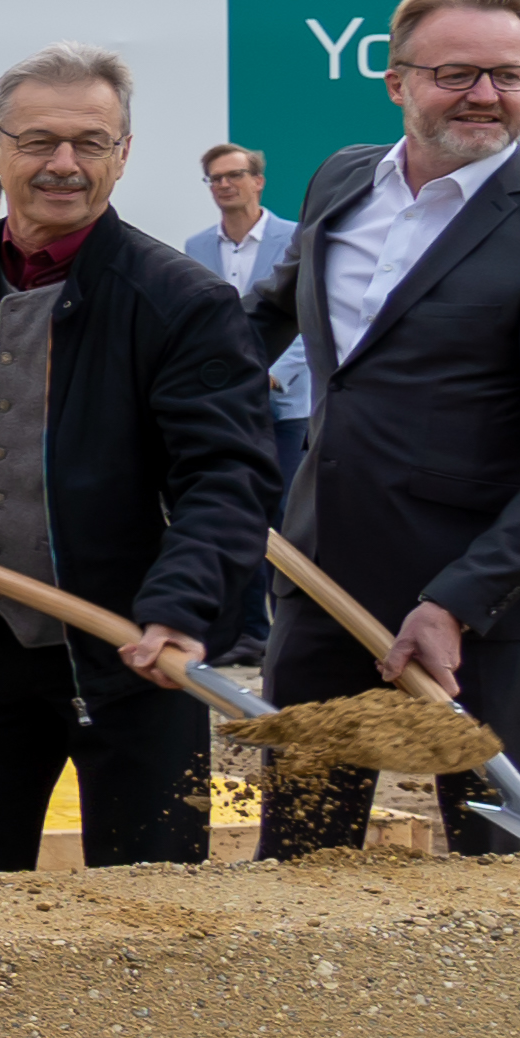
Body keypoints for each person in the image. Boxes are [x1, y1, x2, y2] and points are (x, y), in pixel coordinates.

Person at [0, 44, 275, 874]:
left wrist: (180, 604)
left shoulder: (181, 299)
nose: (63, 164)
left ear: (124, 155)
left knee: (154, 908)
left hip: (135, 658)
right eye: (38, 141)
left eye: (89, 142)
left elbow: (228, 476)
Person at [243, 0, 520, 857]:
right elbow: (273, 310)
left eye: (509, 75)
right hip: (323, 587)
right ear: (397, 81)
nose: (487, 97)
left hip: (489, 617)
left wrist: (454, 604)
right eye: (456, 73)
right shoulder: (343, 179)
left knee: (502, 870)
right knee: (299, 855)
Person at [193, 140, 310, 667]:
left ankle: (287, 629)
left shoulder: (293, 238)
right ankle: (246, 631)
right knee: (235, 512)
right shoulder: (197, 247)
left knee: (282, 513)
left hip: (284, 403)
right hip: (226, 408)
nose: (225, 185)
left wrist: (271, 373)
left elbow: (309, 316)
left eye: (235, 175)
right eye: (215, 178)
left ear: (258, 181)